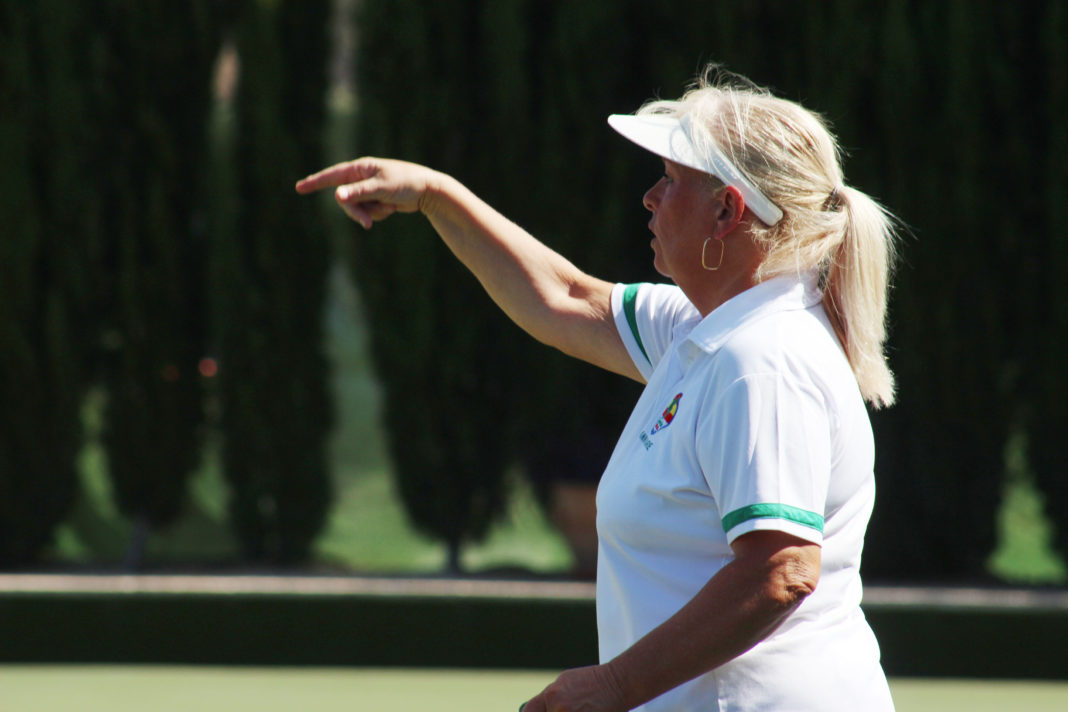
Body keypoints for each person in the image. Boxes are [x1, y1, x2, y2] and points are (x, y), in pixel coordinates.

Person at [296, 67, 898, 712]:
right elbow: (565, 298)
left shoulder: (762, 358)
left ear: (727, 209)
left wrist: (614, 686)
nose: (649, 198)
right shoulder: (711, 331)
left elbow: (781, 569)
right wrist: (436, 194)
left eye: (670, 182)